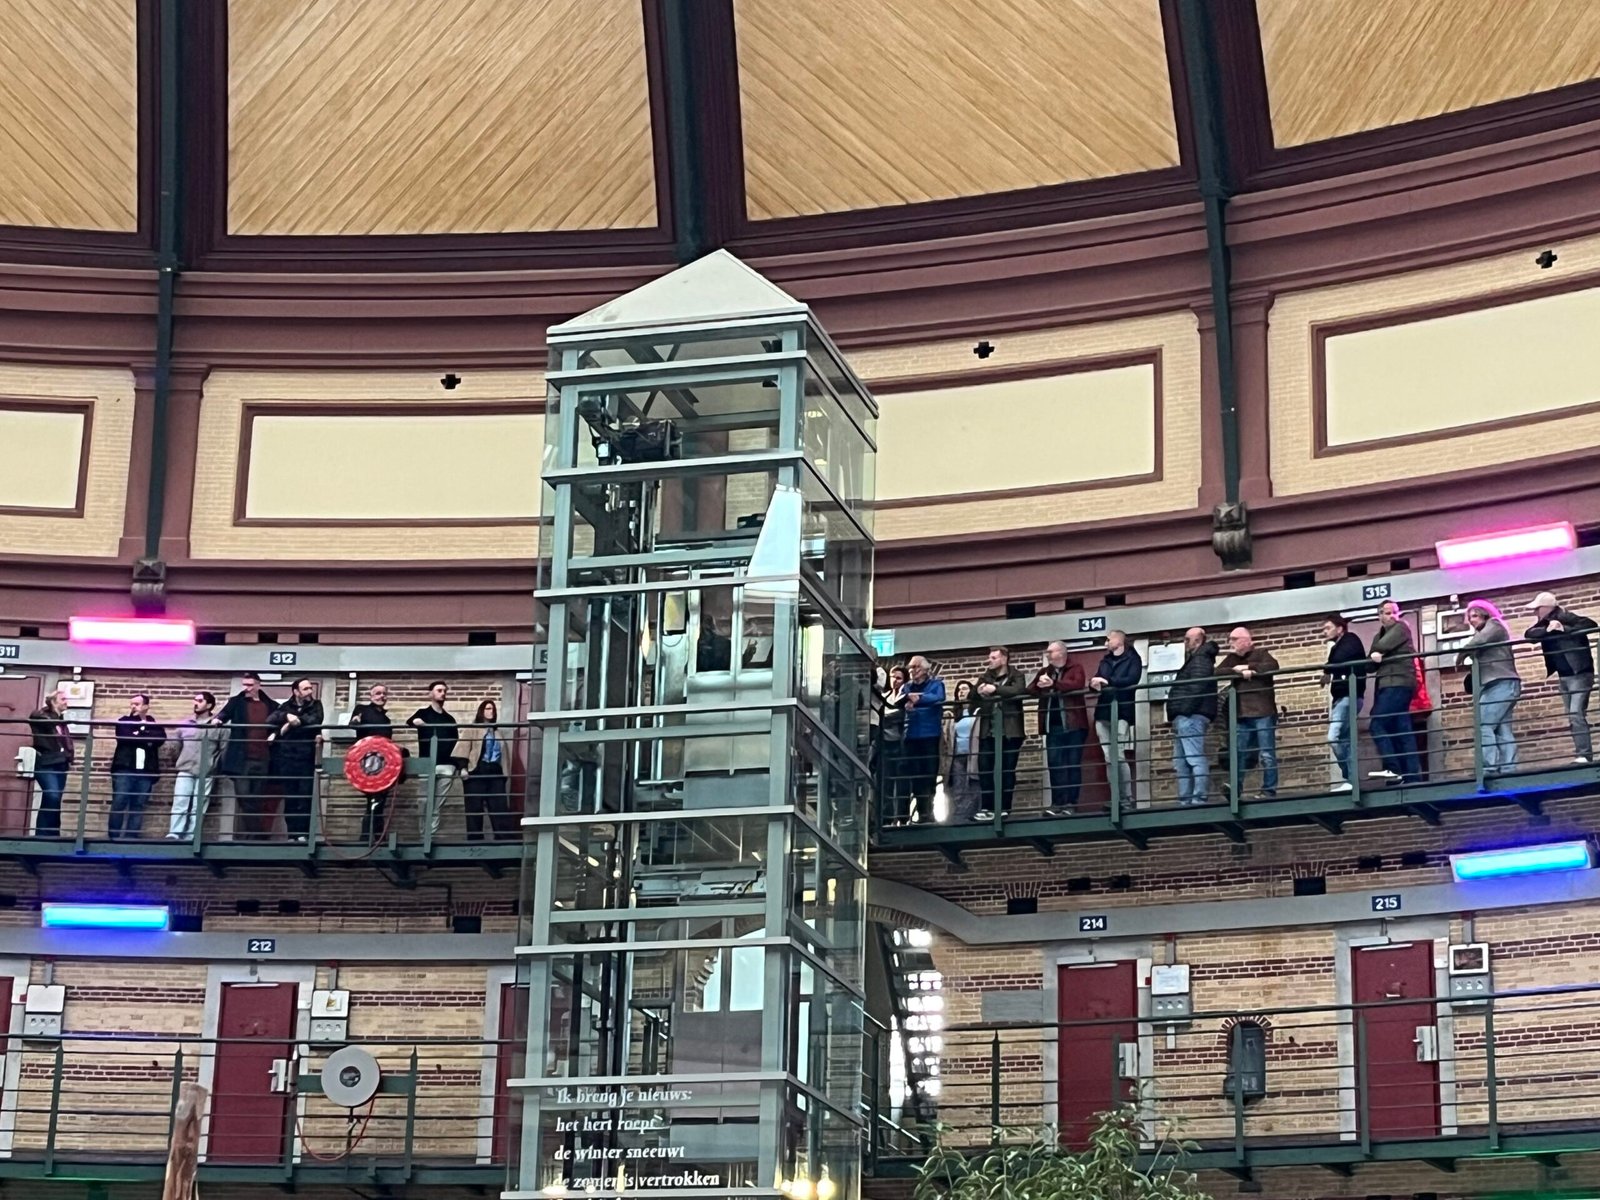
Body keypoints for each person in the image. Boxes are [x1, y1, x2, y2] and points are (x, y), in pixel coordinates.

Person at [1525, 590, 1598, 764]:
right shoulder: (1544, 623)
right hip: (1564, 676)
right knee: (1573, 716)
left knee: (1575, 714)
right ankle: (1582, 754)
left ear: (1546, 608)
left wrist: (1564, 628)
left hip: (1580, 674)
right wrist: (1548, 630)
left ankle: (1584, 755)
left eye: (1537, 609)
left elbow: (1591, 624)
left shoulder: (1566, 616)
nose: (1535, 612)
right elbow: (1529, 635)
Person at [1458, 599, 1520, 778]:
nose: (1472, 620)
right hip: (1502, 683)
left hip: (1500, 682)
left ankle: (1488, 767)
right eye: (1470, 617)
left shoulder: (1494, 625)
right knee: (1502, 729)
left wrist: (1461, 654)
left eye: (1475, 616)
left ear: (1485, 615)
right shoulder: (1487, 632)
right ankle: (1508, 769)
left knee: (1483, 725)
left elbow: (1480, 641)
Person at [1216, 627, 1280, 799]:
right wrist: (1237, 671)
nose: (1230, 643)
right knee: (1239, 753)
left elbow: (1273, 666)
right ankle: (1235, 789)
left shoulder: (1261, 654)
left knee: (1266, 753)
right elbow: (1217, 672)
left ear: (1246, 640)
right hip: (1241, 714)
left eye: (1233, 639)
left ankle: (1269, 790)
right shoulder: (1232, 659)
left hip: (1263, 712)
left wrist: (1249, 667)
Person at [1028, 642, 1087, 815]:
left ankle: (1071, 803)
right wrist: (1039, 685)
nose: (1047, 655)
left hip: (1074, 725)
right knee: (1054, 765)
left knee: (1072, 764)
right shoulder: (1044, 671)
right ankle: (1057, 803)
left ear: (1061, 653)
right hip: (1052, 726)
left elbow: (1077, 684)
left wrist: (1053, 683)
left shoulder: (1076, 668)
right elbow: (1030, 689)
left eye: (1050, 652)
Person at [217, 673, 277, 839]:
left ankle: (254, 834)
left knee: (257, 798)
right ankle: (258, 833)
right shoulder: (236, 702)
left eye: (250, 685)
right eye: (244, 685)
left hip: (263, 757)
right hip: (242, 757)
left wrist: (275, 734)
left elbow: (278, 722)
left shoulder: (270, 704)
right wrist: (218, 719)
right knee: (244, 796)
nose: (247, 688)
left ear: (258, 685)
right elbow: (224, 714)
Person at [1368, 600, 1421, 783]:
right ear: (1380, 615)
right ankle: (1412, 776)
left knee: (1377, 724)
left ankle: (1393, 768)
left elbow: (1381, 648)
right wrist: (1374, 656)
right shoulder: (1378, 635)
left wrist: (1377, 655)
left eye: (1395, 612)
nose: (1393, 616)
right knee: (1402, 729)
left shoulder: (1401, 627)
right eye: (1388, 613)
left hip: (1398, 682)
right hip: (1388, 684)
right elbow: (1370, 664)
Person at [972, 647, 1027, 820]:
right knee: (985, 769)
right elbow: (971, 696)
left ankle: (1004, 808)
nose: (990, 660)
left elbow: (1017, 691)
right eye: (990, 657)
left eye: (994, 657)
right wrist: (978, 691)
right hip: (988, 731)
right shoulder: (985, 676)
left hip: (1010, 732)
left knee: (1006, 770)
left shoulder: (1017, 675)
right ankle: (987, 807)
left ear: (1004, 659)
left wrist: (994, 689)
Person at [1166, 628, 1218, 806]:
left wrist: (1185, 709)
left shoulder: (1201, 659)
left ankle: (1198, 798)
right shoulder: (1197, 659)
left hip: (1191, 716)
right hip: (1186, 717)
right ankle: (1186, 799)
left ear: (1198, 641)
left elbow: (1197, 686)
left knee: (1194, 758)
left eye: (1187, 639)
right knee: (1181, 762)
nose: (1185, 642)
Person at [1089, 631, 1144, 803]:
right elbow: (1098, 678)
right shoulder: (1105, 660)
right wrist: (1093, 684)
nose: (1106, 642)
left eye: (1109, 639)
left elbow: (1132, 679)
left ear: (1119, 641)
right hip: (1103, 711)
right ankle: (1115, 798)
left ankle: (1126, 797)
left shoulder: (1133, 659)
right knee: (1109, 758)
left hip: (1122, 711)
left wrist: (1109, 682)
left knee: (1118, 755)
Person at [267, 678, 323, 842]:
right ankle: (292, 835)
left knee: (305, 797)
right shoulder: (286, 706)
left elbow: (315, 719)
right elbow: (270, 719)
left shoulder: (316, 705)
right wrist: (287, 716)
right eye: (305, 689)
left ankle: (303, 834)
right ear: (296, 692)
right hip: (287, 757)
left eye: (310, 688)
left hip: (306, 757)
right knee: (290, 798)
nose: (310, 692)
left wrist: (291, 724)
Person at [109, 694, 166, 840]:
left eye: (137, 704)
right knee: (119, 802)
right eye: (132, 704)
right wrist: (146, 737)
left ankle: (131, 837)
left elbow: (160, 739)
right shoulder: (124, 721)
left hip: (146, 771)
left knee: (138, 804)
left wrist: (139, 734)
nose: (133, 706)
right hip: (125, 769)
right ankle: (113, 837)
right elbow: (125, 737)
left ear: (146, 706)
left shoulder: (153, 723)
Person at [168, 691, 224, 840]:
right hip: (185, 768)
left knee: (199, 806)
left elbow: (224, 749)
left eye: (200, 701)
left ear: (209, 705)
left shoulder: (218, 726)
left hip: (207, 771)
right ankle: (175, 833)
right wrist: (180, 760)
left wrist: (214, 766)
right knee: (180, 801)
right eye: (195, 700)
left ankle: (192, 835)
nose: (195, 703)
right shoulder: (185, 724)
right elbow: (175, 746)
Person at [409, 681, 461, 838]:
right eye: (439, 690)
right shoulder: (423, 713)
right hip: (427, 763)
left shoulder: (449, 719)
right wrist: (418, 722)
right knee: (424, 801)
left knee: (437, 803)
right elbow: (410, 721)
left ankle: (430, 836)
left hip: (446, 765)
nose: (443, 693)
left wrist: (456, 766)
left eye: (445, 690)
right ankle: (423, 836)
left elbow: (456, 742)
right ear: (430, 694)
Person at [348, 683, 399, 843]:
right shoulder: (362, 709)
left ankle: (374, 835)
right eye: (377, 693)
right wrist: (356, 720)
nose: (381, 696)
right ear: (371, 696)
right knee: (374, 799)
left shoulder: (386, 719)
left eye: (384, 693)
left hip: (382, 762)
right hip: (368, 761)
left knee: (379, 800)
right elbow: (353, 724)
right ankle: (369, 836)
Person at [1321, 616, 1367, 791]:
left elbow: (1338, 660)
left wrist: (1327, 669)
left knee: (1334, 737)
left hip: (1349, 696)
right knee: (1344, 740)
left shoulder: (1350, 640)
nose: (1324, 632)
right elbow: (1334, 663)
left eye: (1328, 628)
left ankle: (1350, 777)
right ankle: (1350, 780)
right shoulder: (1338, 645)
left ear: (1340, 628)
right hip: (1342, 697)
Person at [459, 699, 514, 840]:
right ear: (481, 711)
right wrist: (463, 768)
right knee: (474, 808)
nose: (491, 712)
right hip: (477, 771)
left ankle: (503, 840)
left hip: (495, 771)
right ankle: (475, 842)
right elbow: (462, 749)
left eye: (493, 709)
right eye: (488, 709)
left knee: (499, 807)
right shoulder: (472, 729)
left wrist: (504, 774)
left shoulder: (497, 732)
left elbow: (503, 755)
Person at [900, 656, 946, 824]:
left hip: (930, 734)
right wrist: (910, 701)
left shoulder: (936, 684)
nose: (913, 670)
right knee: (915, 775)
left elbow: (938, 697)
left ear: (925, 669)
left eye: (916, 667)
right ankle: (921, 812)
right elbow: (902, 699)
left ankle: (929, 812)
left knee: (929, 773)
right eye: (911, 667)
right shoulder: (907, 687)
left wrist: (919, 699)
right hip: (911, 735)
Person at [27, 688, 72, 838]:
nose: (66, 702)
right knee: (52, 796)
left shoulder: (61, 721)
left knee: (54, 799)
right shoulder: (42, 715)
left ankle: (52, 834)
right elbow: (35, 717)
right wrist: (54, 716)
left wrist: (69, 757)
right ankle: (43, 835)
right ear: (53, 702)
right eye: (63, 699)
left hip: (60, 763)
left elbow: (65, 742)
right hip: (46, 763)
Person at [939, 681, 980, 823]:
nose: (961, 692)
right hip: (957, 754)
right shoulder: (953, 714)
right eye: (959, 690)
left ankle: (973, 814)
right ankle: (959, 816)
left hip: (973, 753)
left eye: (965, 689)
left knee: (973, 784)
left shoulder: (977, 712)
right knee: (958, 786)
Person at [878, 666, 910, 823]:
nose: (895, 681)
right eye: (892, 677)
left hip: (901, 744)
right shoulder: (884, 696)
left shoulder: (906, 697)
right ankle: (887, 818)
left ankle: (903, 817)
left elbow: (901, 715)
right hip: (885, 743)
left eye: (898, 678)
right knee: (886, 783)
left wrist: (886, 718)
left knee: (903, 783)